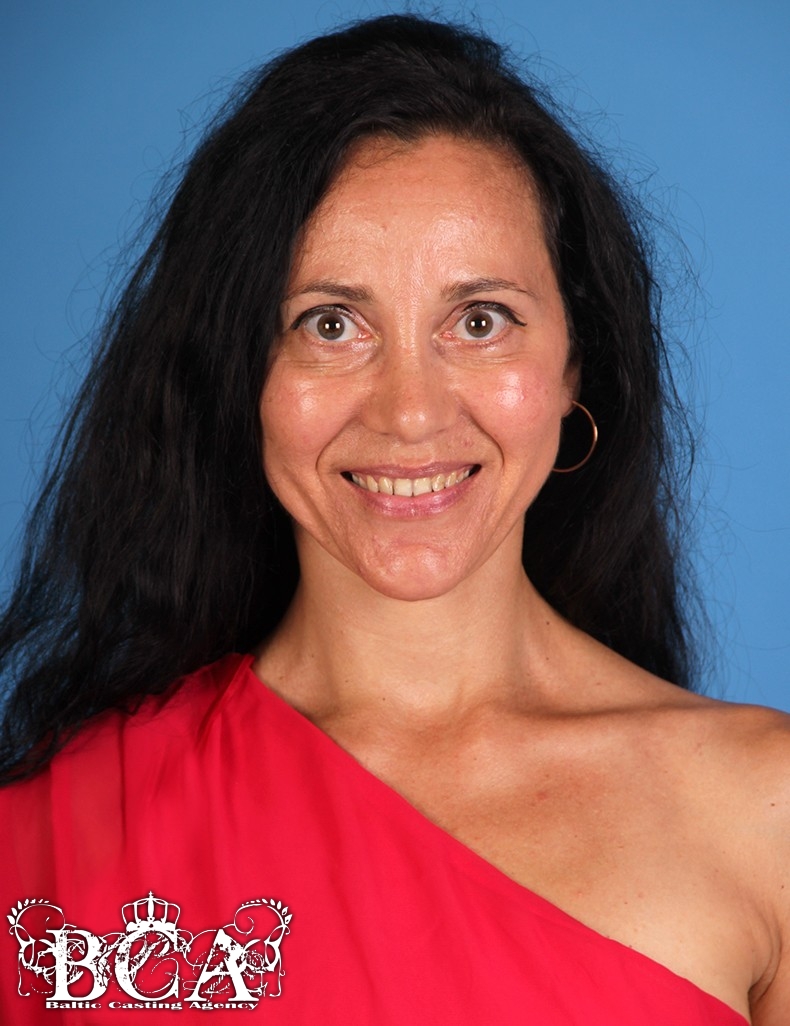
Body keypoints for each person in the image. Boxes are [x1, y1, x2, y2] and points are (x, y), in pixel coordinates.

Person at [0, 13, 786, 1024]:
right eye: (331, 324)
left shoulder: (765, 813)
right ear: (240, 373)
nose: (410, 412)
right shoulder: (46, 843)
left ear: (573, 367)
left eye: (480, 321)